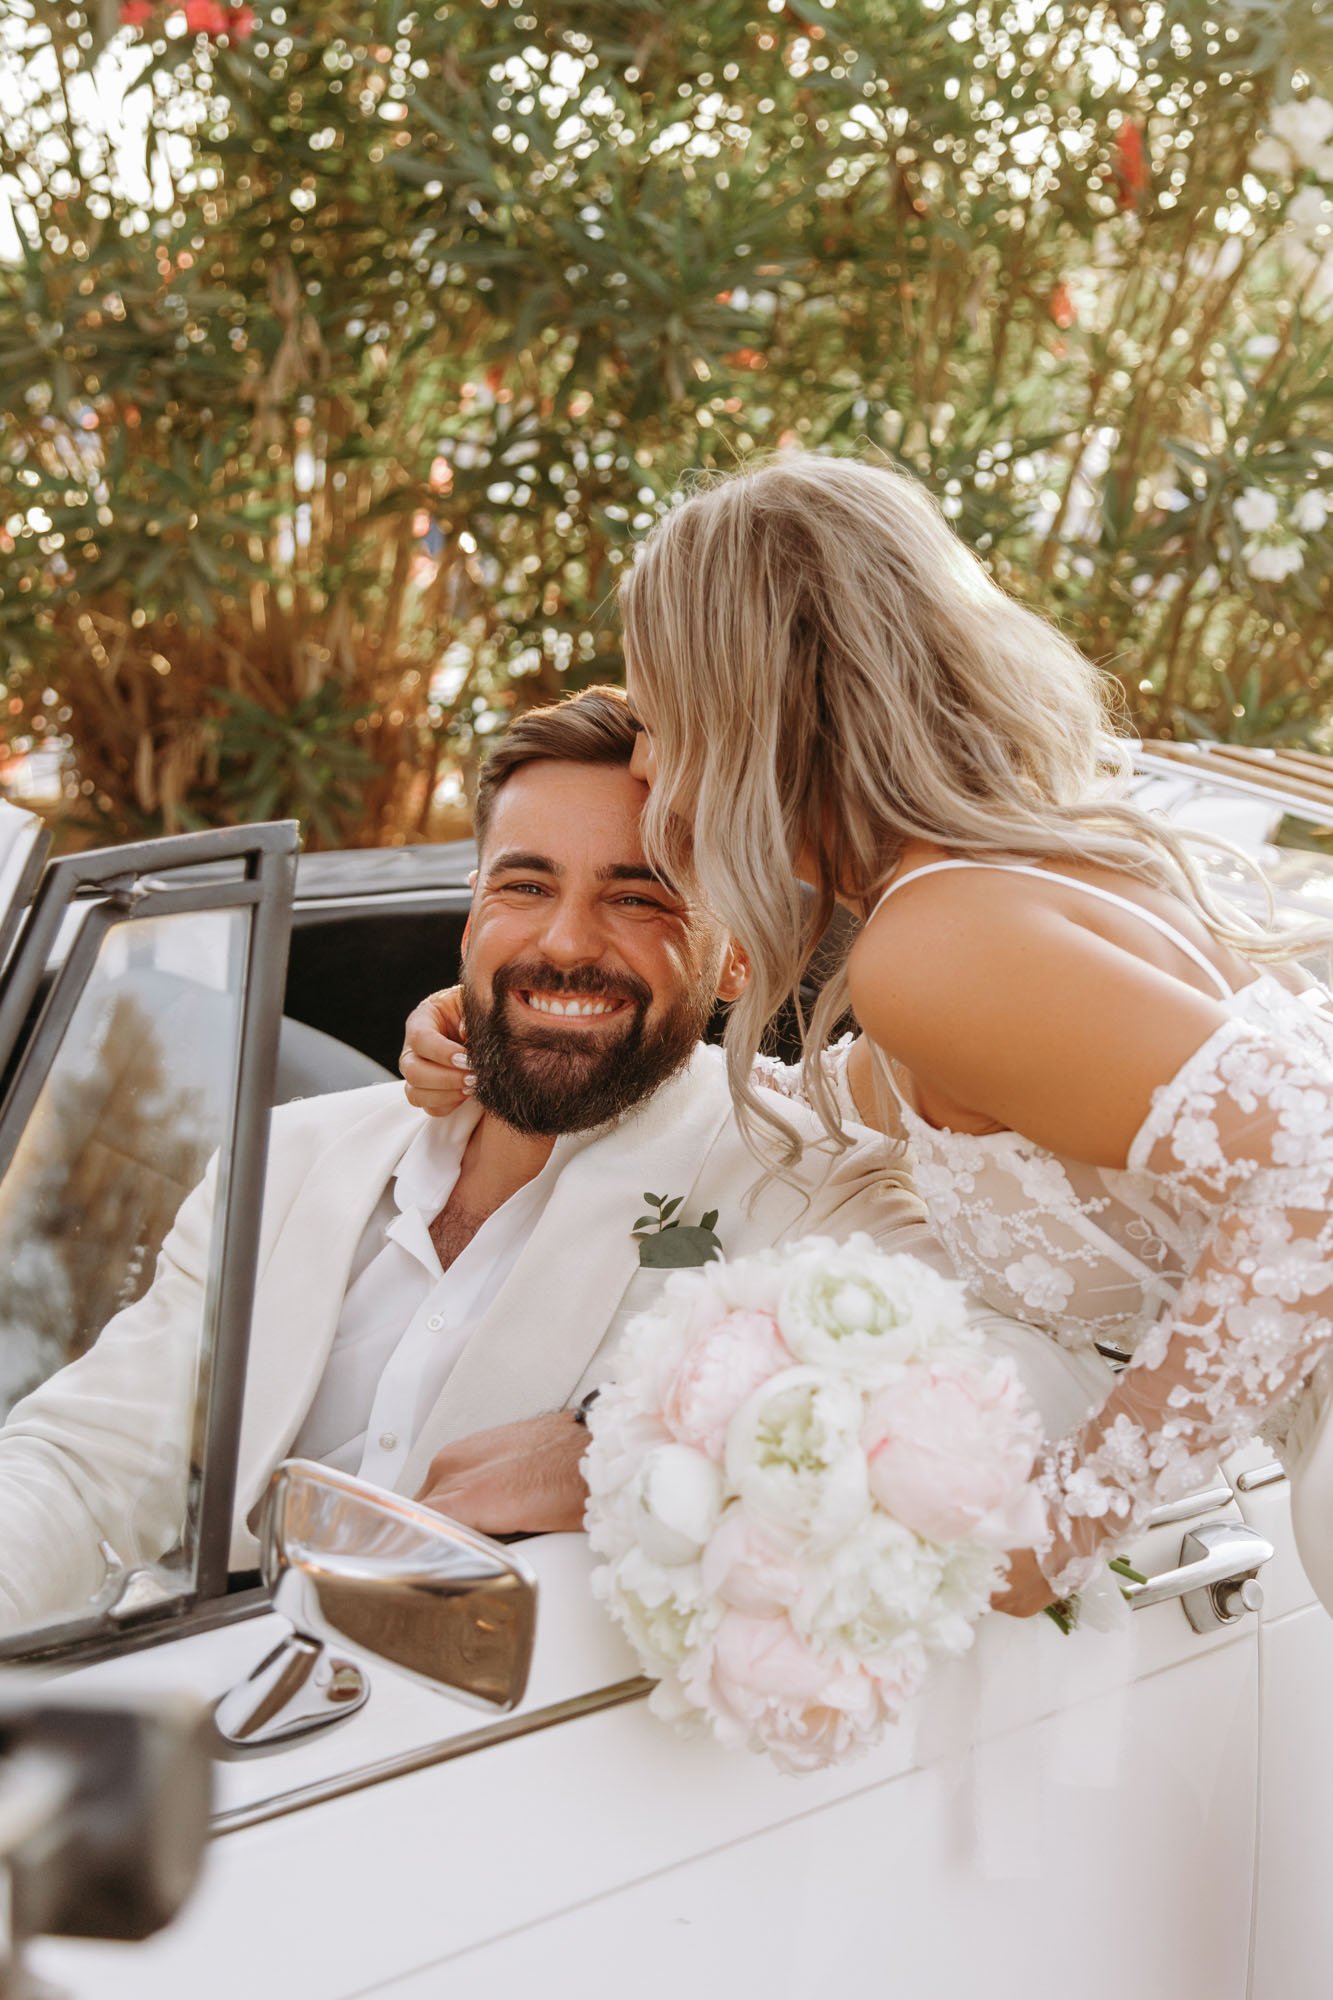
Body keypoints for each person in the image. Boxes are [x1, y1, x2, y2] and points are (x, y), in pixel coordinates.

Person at [0, 687, 1014, 1636]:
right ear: (472, 913)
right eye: (524, 884)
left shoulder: (809, 1191)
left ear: (737, 954)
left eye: (640, 898)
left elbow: (977, 1411)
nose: (565, 941)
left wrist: (624, 1446)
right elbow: (83, 1463)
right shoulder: (287, 1154)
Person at [604, 453, 1333, 1620]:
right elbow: (831, 1095)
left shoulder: (936, 943)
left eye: (655, 714)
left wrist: (1070, 1519)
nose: (643, 763)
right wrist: (479, 1049)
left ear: (754, 713)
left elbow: (1317, 1164)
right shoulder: (1025, 878)